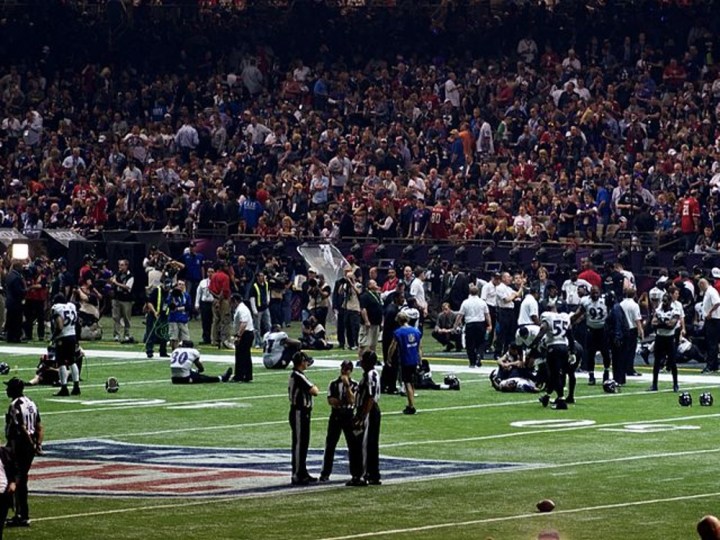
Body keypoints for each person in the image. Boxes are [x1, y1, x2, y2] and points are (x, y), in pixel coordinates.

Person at [4, 377, 42, 528]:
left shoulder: (14, 405)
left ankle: (21, 514)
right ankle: (20, 512)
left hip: (20, 445)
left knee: (16, 479)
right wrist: (38, 444)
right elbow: (39, 426)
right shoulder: (31, 403)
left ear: (14, 389)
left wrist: (30, 443)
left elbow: (21, 428)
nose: (6, 390)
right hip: (29, 445)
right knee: (21, 479)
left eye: (9, 388)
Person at [319, 360, 362, 484]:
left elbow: (353, 401)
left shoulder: (354, 385)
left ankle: (355, 474)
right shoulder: (333, 384)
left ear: (351, 371)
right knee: (330, 444)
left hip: (349, 416)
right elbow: (331, 401)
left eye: (347, 369)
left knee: (353, 446)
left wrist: (347, 387)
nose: (345, 371)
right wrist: (344, 402)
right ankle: (325, 473)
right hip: (336, 415)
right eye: (343, 368)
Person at [531, 305, 574, 410]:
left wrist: (533, 345)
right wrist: (571, 351)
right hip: (564, 347)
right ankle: (547, 396)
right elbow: (570, 335)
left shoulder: (547, 316)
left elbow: (542, 330)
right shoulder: (565, 317)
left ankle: (561, 400)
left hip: (553, 347)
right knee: (558, 374)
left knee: (554, 375)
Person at [288, 351, 319, 486]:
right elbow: (314, 391)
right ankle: (297, 473)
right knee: (299, 444)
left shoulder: (299, 375)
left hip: (303, 413)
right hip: (299, 412)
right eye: (305, 361)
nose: (307, 363)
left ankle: (302, 471)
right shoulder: (298, 376)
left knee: (303, 443)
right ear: (301, 362)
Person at [573, 286, 611, 385]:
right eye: (593, 293)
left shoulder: (605, 300)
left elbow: (611, 311)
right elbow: (578, 313)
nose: (595, 295)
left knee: (605, 353)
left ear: (600, 292)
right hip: (591, 330)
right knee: (590, 354)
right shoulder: (585, 301)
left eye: (596, 293)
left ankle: (606, 372)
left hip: (603, 330)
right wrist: (571, 321)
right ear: (590, 293)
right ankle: (591, 375)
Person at [354, 350, 381, 485]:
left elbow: (370, 397)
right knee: (371, 443)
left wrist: (362, 415)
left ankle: (364, 475)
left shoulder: (370, 375)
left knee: (365, 444)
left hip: (369, 410)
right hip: (370, 410)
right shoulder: (373, 373)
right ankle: (373, 473)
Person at [388, 311, 421, 415]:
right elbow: (419, 347)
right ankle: (411, 402)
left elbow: (393, 346)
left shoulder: (398, 332)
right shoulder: (416, 331)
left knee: (407, 382)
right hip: (414, 359)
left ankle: (411, 406)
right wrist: (420, 359)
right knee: (411, 381)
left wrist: (389, 357)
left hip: (405, 359)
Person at [454, 285, 492, 368]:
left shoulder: (466, 302)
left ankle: (472, 361)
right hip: (480, 324)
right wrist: (489, 324)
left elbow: (460, 315)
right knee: (481, 342)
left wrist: (455, 325)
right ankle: (479, 355)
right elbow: (487, 314)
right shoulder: (482, 302)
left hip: (470, 324)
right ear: (478, 292)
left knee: (470, 344)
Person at [50, 293, 80, 396]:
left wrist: (54, 336)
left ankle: (64, 388)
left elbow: (60, 325)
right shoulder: (71, 306)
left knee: (61, 362)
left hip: (63, 337)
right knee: (72, 361)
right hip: (72, 335)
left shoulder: (56, 308)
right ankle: (76, 386)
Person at [648, 294, 680, 392]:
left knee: (672, 362)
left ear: (670, 302)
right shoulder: (658, 310)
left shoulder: (675, 311)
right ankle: (654, 384)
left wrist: (660, 323)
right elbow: (653, 323)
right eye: (663, 301)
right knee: (657, 361)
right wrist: (665, 323)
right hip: (660, 338)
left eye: (666, 301)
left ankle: (675, 384)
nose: (664, 303)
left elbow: (671, 325)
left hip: (669, 338)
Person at [619, 287, 644, 378]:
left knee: (623, 350)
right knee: (631, 351)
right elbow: (637, 319)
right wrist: (641, 330)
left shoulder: (621, 304)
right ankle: (629, 369)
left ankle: (623, 368)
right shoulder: (634, 305)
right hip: (632, 329)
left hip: (623, 329)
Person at [109, 259, 135, 343]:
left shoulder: (130, 276)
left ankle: (126, 335)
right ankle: (116, 334)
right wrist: (112, 282)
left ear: (126, 266)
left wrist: (116, 283)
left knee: (126, 318)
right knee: (116, 317)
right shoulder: (117, 274)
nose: (120, 267)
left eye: (122, 265)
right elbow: (112, 283)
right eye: (119, 265)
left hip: (126, 300)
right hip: (116, 298)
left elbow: (128, 287)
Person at [145, 279, 170, 359]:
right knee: (151, 332)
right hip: (154, 314)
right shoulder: (157, 290)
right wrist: (154, 312)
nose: (167, 288)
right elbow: (149, 302)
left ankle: (163, 351)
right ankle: (149, 351)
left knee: (164, 334)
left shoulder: (170, 293)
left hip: (164, 315)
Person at [231, 294, 254, 383]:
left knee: (241, 355)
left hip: (245, 334)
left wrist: (238, 336)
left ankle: (240, 375)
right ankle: (246, 375)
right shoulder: (241, 308)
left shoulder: (241, 309)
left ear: (235, 301)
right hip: (246, 333)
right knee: (246, 355)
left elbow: (243, 323)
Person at [209, 261, 232, 349]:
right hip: (223, 300)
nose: (227, 268)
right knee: (225, 320)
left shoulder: (213, 276)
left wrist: (216, 298)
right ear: (222, 267)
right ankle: (225, 340)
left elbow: (210, 289)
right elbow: (224, 290)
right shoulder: (225, 277)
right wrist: (219, 299)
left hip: (214, 299)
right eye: (226, 266)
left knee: (216, 320)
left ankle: (214, 339)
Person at [358, 279, 383, 358]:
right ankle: (361, 358)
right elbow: (363, 309)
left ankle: (373, 358)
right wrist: (366, 320)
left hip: (376, 322)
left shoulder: (377, 295)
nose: (376, 283)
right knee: (364, 343)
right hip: (368, 323)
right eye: (374, 283)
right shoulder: (365, 296)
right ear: (369, 286)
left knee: (373, 343)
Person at [699, 278, 720, 373]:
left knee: (712, 344)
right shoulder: (709, 292)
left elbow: (717, 302)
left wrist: (710, 312)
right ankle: (714, 365)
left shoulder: (711, 292)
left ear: (702, 284)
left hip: (713, 320)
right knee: (712, 343)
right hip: (711, 320)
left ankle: (710, 365)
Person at [166, 281, 192, 351]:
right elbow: (169, 305)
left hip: (183, 319)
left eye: (183, 285)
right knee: (174, 337)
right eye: (179, 284)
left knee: (186, 338)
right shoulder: (172, 295)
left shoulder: (186, 295)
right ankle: (175, 352)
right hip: (173, 319)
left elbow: (189, 307)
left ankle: (185, 352)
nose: (181, 286)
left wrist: (178, 308)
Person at [5, 262, 26, 344]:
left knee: (10, 320)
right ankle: (16, 337)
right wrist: (25, 291)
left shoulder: (9, 275)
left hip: (9, 301)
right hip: (16, 302)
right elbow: (18, 291)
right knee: (17, 320)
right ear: (17, 268)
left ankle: (10, 336)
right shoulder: (17, 277)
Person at [195, 266, 215, 344]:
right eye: (208, 272)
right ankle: (206, 338)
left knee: (213, 321)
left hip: (213, 303)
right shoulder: (203, 282)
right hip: (205, 303)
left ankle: (214, 338)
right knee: (205, 321)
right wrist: (196, 303)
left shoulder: (216, 281)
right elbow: (198, 293)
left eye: (212, 272)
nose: (210, 273)